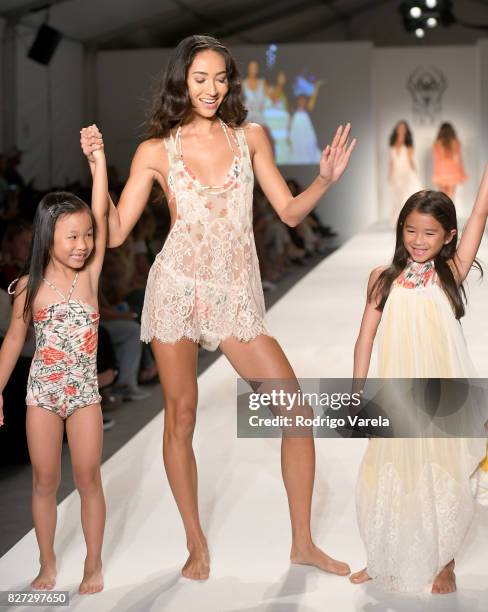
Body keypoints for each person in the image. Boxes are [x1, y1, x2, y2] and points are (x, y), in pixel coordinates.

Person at [80, 34, 356, 581]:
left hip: (234, 296)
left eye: (221, 78)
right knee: (180, 415)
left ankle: (303, 542)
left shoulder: (250, 136)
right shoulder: (156, 149)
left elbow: (290, 213)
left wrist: (323, 180)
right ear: (182, 80)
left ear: (230, 82)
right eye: (200, 78)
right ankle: (195, 543)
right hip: (178, 288)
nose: (211, 88)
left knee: (295, 413)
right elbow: (112, 236)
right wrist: (97, 170)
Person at [351, 168, 488, 594]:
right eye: (410, 229)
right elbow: (366, 336)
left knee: (442, 469)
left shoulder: (450, 273)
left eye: (430, 232)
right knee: (386, 469)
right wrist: (356, 392)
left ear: (448, 235)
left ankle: (445, 561)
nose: (418, 239)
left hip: (445, 394)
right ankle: (380, 556)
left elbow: (481, 213)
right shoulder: (383, 278)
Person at [0, 125, 109, 594]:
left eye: (86, 235)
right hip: (41, 395)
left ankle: (93, 563)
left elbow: (101, 209)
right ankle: (46, 564)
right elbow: (10, 343)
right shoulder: (27, 288)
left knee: (88, 479)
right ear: (49, 236)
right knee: (45, 482)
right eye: (72, 237)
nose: (82, 244)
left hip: (84, 394)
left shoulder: (91, 275)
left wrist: (97, 160)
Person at [388, 120, 421, 225]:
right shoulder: (392, 144)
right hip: (396, 174)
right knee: (397, 197)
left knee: (406, 196)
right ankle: (397, 221)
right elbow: (392, 161)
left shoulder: (408, 145)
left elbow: (410, 161)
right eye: (399, 127)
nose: (401, 130)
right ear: (396, 129)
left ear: (406, 130)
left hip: (406, 173)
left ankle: (406, 220)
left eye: (403, 128)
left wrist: (415, 174)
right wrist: (390, 174)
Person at [432, 122, 467, 200]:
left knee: (442, 197)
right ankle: (449, 211)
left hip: (441, 170)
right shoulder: (455, 142)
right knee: (450, 197)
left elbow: (436, 160)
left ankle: (443, 211)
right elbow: (459, 159)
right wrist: (462, 173)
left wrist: (435, 175)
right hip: (453, 170)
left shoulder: (437, 143)